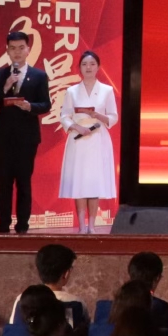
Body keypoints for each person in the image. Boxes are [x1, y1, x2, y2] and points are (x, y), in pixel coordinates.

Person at [0, 26, 54, 235]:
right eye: (13, 48)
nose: (17, 52)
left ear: (28, 50)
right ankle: (3, 226)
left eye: (21, 48)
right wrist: (5, 88)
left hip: (27, 138)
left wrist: (30, 106)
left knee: (24, 183)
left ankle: (23, 226)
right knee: (4, 183)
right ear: (7, 50)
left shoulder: (39, 76)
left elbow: (46, 104)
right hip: (3, 138)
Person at [45, 46, 121, 234]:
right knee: (80, 183)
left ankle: (92, 226)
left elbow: (113, 117)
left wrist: (97, 115)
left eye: (92, 64)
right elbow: (64, 116)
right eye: (85, 64)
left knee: (94, 182)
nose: (88, 67)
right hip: (78, 139)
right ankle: (81, 226)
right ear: (79, 68)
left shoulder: (106, 90)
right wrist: (77, 127)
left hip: (98, 138)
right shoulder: (72, 91)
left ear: (98, 67)